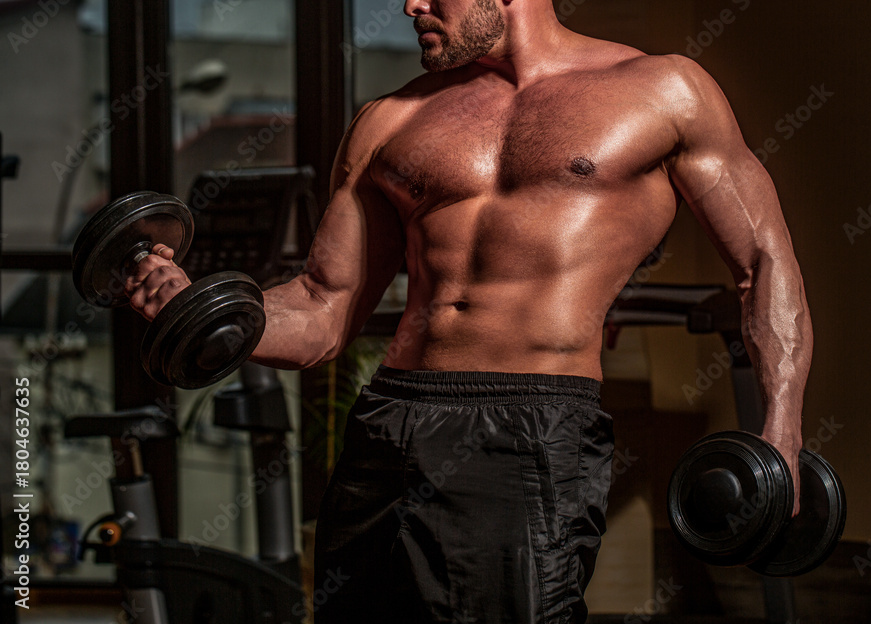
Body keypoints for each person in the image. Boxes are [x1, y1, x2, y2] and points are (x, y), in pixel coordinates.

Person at [125, 0, 813, 621]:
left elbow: (763, 263)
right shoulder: (390, 120)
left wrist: (781, 432)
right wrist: (200, 306)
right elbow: (323, 309)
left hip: (528, 425)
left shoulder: (665, 91)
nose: (410, 5)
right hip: (388, 427)